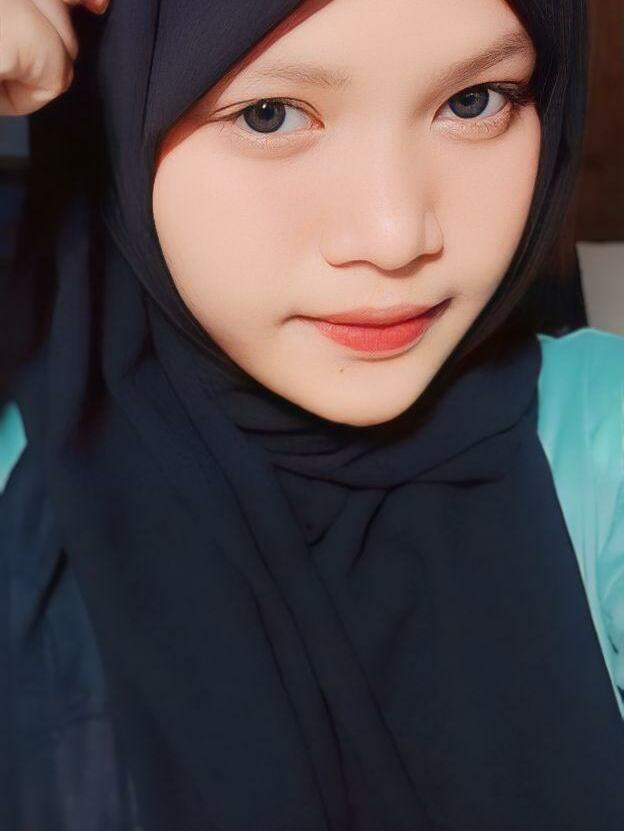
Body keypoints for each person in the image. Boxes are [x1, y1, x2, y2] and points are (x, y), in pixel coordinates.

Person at [0, 1, 623, 829]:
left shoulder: (602, 441)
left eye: (474, 101)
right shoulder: (25, 489)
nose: (395, 236)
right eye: (270, 114)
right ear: (121, 109)